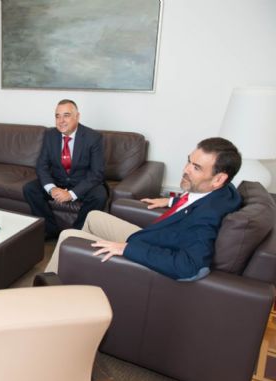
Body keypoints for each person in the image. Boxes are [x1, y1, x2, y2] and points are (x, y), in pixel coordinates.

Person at [45, 137, 242, 281]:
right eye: (189, 161)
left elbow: (189, 267)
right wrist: (172, 202)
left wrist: (128, 249)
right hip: (153, 238)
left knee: (67, 236)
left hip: (145, 251)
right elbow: (196, 201)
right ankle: (82, 274)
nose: (186, 169)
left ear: (219, 179)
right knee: (94, 216)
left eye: (196, 167)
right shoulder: (224, 193)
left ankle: (40, 294)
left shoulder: (208, 216)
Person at [23, 99, 107, 237]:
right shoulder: (50, 135)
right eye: (57, 116)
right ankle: (50, 230)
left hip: (83, 181)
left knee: (99, 196)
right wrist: (52, 188)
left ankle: (75, 234)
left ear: (77, 116)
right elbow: (41, 166)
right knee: (30, 189)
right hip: (58, 179)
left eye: (66, 115)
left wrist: (71, 194)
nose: (61, 120)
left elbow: (97, 173)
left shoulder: (93, 138)